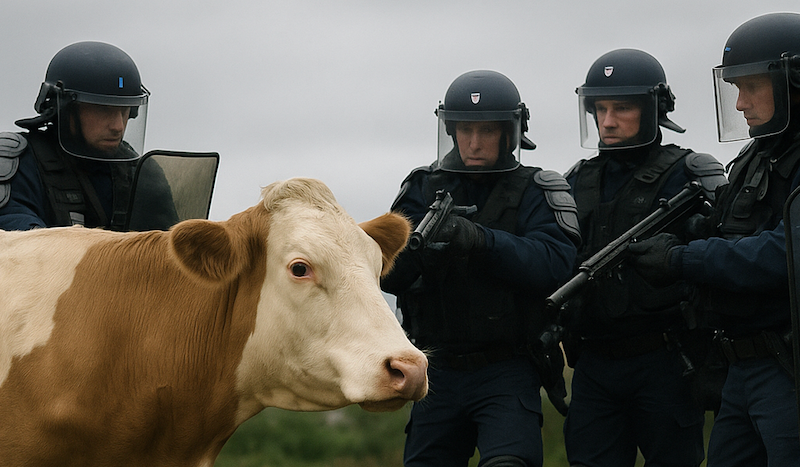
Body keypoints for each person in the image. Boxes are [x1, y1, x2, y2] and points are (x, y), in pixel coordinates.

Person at [381, 70, 580, 467]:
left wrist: (481, 240)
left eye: (486, 130)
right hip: (436, 368)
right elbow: (387, 272)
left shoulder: (538, 188)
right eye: (464, 129)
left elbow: (556, 265)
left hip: (506, 366)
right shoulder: (422, 187)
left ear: (510, 132)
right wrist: (424, 255)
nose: (473, 143)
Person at [628, 12, 800, 466]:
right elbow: (733, 230)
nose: (740, 103)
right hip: (742, 366)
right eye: (735, 88)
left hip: (789, 365)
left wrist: (683, 259)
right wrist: (692, 230)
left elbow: (784, 252)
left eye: (751, 86)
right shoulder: (756, 155)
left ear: (793, 81)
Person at [562, 48, 728, 467]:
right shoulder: (575, 180)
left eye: (622, 107)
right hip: (594, 362)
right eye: (600, 108)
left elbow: (729, 243)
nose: (608, 120)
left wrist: (692, 238)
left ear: (653, 108)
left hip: (666, 360)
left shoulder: (691, 171)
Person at [0, 41, 177, 231]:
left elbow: (172, 246)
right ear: (66, 109)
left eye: (125, 111)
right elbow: (15, 236)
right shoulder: (18, 163)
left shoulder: (140, 173)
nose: (118, 126)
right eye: (103, 110)